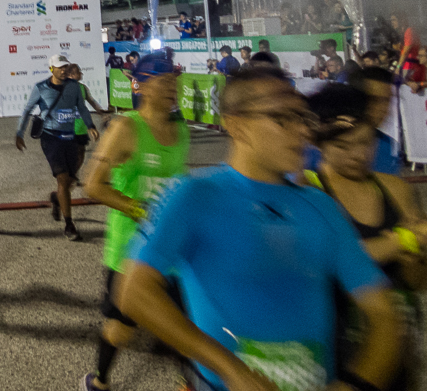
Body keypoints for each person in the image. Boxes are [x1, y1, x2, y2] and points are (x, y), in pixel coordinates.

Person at [118, 68, 402, 391]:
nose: (302, 132)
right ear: (236, 125)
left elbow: (384, 314)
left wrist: (354, 385)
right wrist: (232, 370)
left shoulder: (321, 208)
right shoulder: (193, 195)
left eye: (303, 118)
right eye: (284, 118)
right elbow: (134, 292)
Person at [305, 84, 426, 391]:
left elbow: (415, 282)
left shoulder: (395, 189)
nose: (359, 155)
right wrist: (404, 240)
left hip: (396, 350)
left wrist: (416, 256)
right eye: (344, 147)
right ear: (319, 144)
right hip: (336, 354)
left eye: (365, 142)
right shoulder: (308, 192)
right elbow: (331, 260)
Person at [81, 54, 189, 391]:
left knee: (185, 322)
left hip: (171, 248)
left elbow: (176, 181)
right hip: (130, 250)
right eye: (164, 82)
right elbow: (93, 185)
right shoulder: (126, 128)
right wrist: (137, 208)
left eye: (174, 81)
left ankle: (189, 381)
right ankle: (99, 380)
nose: (173, 88)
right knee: (120, 329)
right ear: (140, 85)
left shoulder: (181, 129)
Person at [15, 54, 99, 241]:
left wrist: (91, 125)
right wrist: (20, 133)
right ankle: (69, 225)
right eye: (60, 67)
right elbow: (27, 110)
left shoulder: (75, 87)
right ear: (51, 68)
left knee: (68, 181)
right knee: (62, 178)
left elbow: (82, 107)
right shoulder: (41, 88)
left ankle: (56, 198)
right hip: (51, 138)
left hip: (71, 138)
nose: (64, 70)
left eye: (65, 67)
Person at [68, 63, 111, 169]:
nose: (81, 73)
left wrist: (101, 113)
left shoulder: (83, 88)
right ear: (71, 75)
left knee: (81, 152)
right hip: (68, 126)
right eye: (78, 72)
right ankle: (69, 174)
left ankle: (73, 174)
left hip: (81, 126)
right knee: (71, 152)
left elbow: (91, 101)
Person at [391, 12, 420, 77]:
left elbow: (405, 52)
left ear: (401, 20)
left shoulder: (409, 31)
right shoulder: (402, 32)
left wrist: (398, 67)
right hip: (405, 63)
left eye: (394, 20)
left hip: (411, 64)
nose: (392, 22)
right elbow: (399, 48)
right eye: (391, 20)